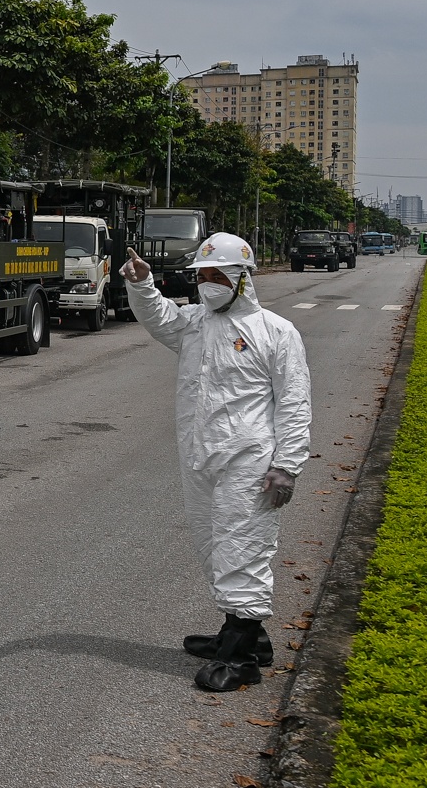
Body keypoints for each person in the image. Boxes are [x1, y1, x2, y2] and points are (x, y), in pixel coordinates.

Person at [122, 233, 310, 692]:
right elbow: (160, 317)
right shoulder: (195, 324)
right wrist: (143, 284)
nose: (207, 284)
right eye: (201, 276)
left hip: (250, 463)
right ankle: (243, 631)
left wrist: (286, 464)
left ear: (241, 279)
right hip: (200, 458)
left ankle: (242, 658)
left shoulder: (276, 332)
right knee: (212, 545)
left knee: (242, 548)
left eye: (215, 276)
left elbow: (295, 403)